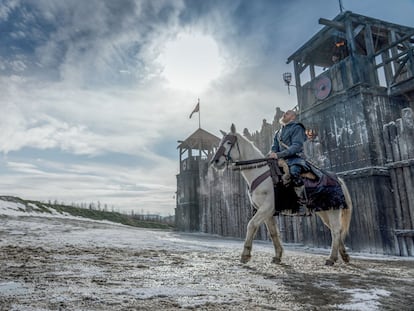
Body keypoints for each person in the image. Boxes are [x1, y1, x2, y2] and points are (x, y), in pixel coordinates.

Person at [268, 110, 309, 214]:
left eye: (287, 113)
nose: (284, 114)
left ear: (293, 117)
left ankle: (301, 203)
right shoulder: (278, 132)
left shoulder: (297, 128)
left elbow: (296, 147)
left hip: (295, 159)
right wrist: (272, 154)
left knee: (294, 172)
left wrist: (278, 155)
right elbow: (274, 148)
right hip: (281, 161)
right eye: (284, 113)